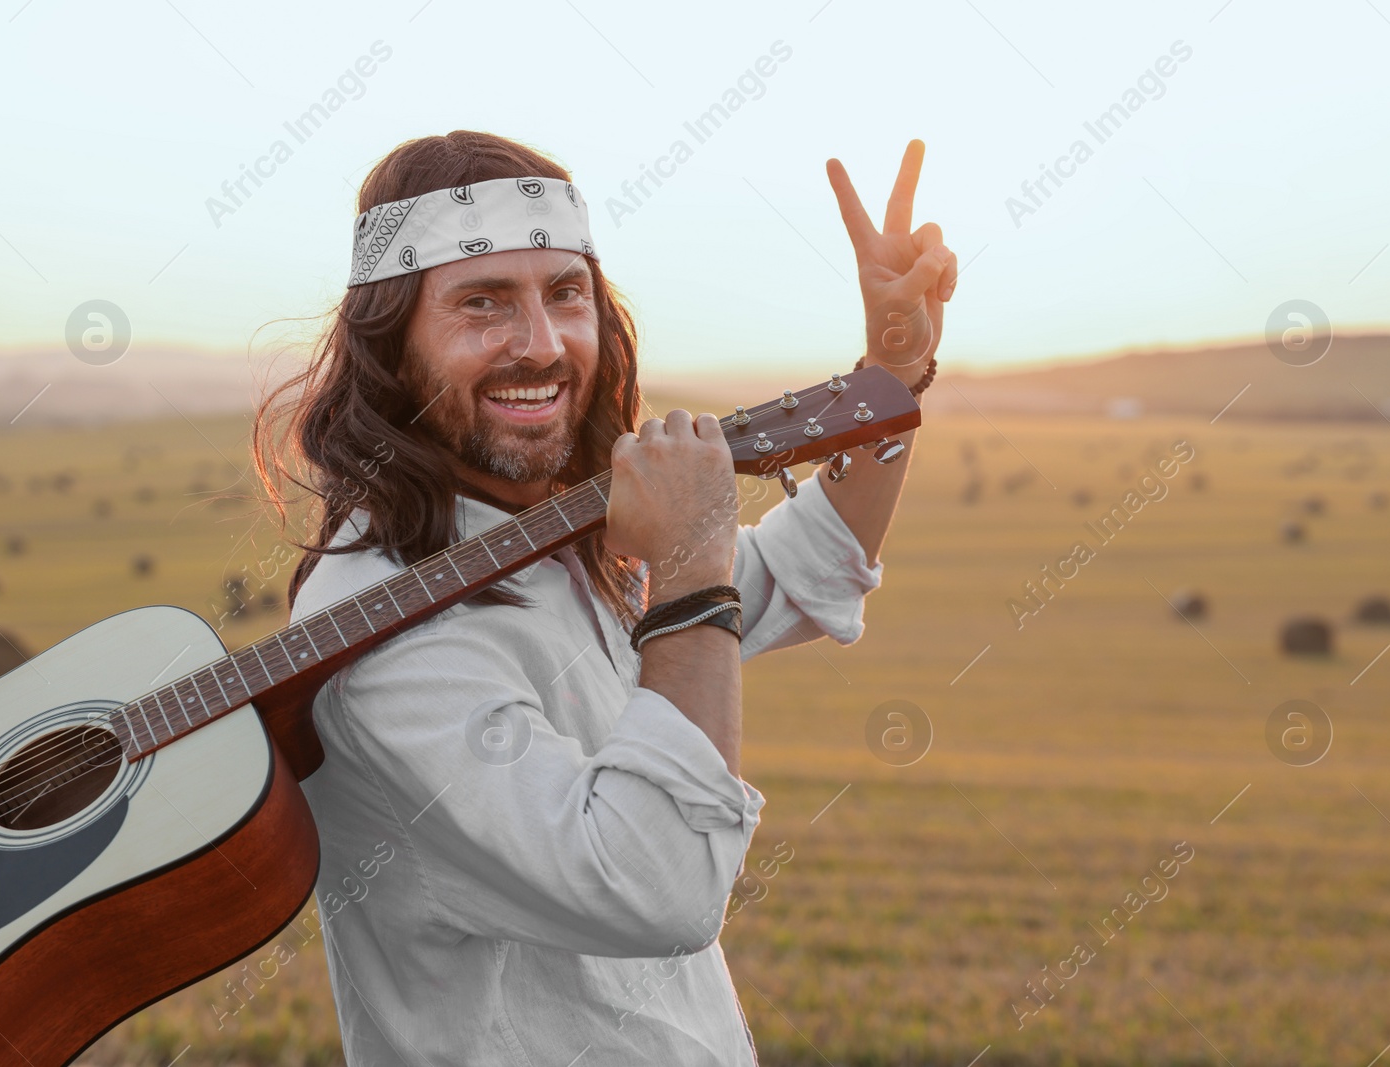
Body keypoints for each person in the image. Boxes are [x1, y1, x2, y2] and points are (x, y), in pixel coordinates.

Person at [253, 129, 955, 1065]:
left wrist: (894, 371)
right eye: (482, 303)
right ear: (390, 346)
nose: (540, 346)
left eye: (565, 293)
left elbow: (806, 567)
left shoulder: (541, 534)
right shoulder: (386, 625)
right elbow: (658, 884)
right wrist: (694, 557)